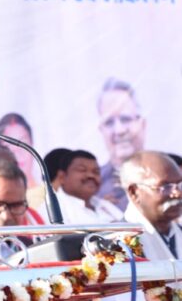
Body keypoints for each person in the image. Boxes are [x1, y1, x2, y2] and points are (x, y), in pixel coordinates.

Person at [120, 151, 182, 260]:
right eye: (165, 186)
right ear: (134, 192)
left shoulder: (178, 232)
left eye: (179, 184)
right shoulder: (115, 245)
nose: (177, 193)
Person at [96, 78, 146, 210]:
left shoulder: (172, 176)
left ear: (142, 124)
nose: (119, 130)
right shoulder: (93, 188)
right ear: (101, 130)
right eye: (109, 122)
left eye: (125, 119)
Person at [53, 150, 123, 224]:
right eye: (82, 170)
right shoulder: (54, 209)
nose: (91, 175)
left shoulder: (104, 205)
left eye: (96, 172)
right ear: (62, 177)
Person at [0, 113, 37, 187]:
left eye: (23, 144)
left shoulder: (50, 190)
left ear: (32, 143)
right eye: (8, 146)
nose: (17, 154)